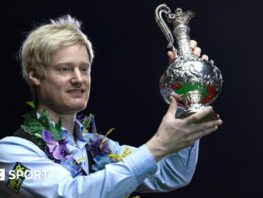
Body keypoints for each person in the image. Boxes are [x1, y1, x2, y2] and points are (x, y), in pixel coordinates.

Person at [0, 15, 222, 198]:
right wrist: (158, 145)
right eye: (64, 69)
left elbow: (172, 174)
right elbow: (70, 195)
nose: (79, 79)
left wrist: (185, 91)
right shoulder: (7, 157)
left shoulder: (98, 147)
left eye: (84, 68)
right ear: (35, 74)